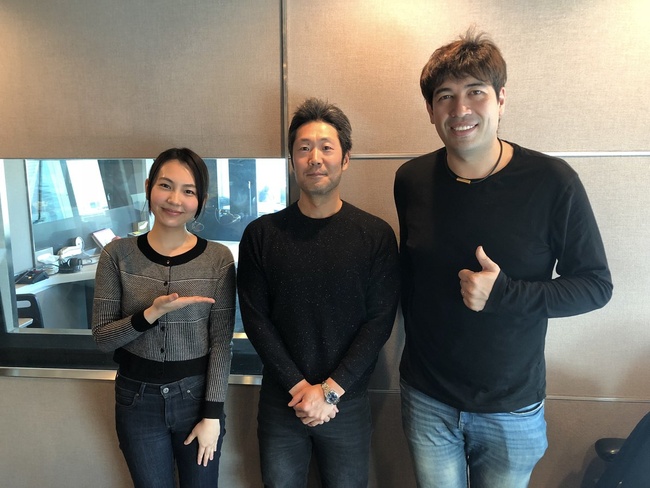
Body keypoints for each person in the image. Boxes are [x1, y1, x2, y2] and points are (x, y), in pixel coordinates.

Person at [394, 30, 613, 488]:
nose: (460, 109)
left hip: (511, 407)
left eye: (476, 91)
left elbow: (595, 285)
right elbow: (410, 277)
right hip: (427, 397)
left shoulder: (552, 182)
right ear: (431, 110)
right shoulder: (410, 179)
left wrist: (505, 294)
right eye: (445, 96)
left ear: (501, 99)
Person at [237, 97, 400, 488]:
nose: (315, 158)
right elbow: (256, 320)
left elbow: (380, 321)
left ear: (345, 159)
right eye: (304, 148)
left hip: (347, 399)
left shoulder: (375, 235)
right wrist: (300, 389)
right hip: (282, 399)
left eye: (326, 147)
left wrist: (329, 392)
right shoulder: (261, 235)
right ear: (292, 160)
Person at [92, 147, 236, 488]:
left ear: (201, 200)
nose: (174, 199)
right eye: (165, 186)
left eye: (188, 191)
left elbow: (221, 343)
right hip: (136, 399)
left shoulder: (218, 259)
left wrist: (212, 415)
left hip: (197, 399)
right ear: (148, 187)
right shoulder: (117, 255)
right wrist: (151, 313)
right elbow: (102, 338)